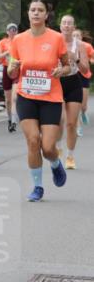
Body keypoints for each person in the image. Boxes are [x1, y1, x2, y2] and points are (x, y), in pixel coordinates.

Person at [7, 0, 69, 200]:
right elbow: (10, 71)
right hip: (26, 96)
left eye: (40, 10)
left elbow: (68, 66)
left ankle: (55, 163)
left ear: (46, 15)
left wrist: (62, 70)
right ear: (28, 14)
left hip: (51, 97)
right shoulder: (18, 40)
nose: (35, 13)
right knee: (33, 141)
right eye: (32, 10)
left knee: (48, 147)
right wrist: (12, 68)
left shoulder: (57, 38)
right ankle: (37, 187)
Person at [57, 15, 87, 169]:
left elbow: (86, 69)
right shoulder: (54, 41)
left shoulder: (79, 45)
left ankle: (70, 156)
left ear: (73, 27)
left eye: (70, 23)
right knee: (59, 120)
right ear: (60, 26)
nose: (67, 26)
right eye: (64, 23)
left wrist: (76, 59)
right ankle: (58, 147)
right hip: (57, 83)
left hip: (74, 83)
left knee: (71, 123)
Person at [0, 23, 19, 132]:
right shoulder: (2, 42)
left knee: (14, 98)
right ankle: (10, 119)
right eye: (10, 30)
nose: (12, 32)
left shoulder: (20, 41)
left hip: (16, 69)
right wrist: (6, 53)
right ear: (7, 31)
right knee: (8, 99)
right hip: (6, 69)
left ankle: (14, 121)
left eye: (14, 30)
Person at [74, 29, 93, 128]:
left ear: (81, 37)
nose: (76, 38)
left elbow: (92, 56)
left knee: (83, 105)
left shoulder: (87, 46)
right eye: (74, 36)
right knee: (75, 102)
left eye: (78, 36)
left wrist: (91, 60)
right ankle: (78, 125)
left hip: (84, 75)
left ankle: (83, 112)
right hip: (73, 75)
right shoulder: (68, 46)